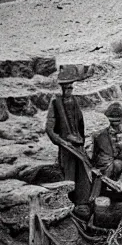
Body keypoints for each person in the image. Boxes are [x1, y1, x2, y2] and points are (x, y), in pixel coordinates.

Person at [45, 64, 92, 220]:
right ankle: (69, 205)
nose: (70, 90)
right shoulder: (55, 103)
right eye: (67, 88)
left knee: (84, 173)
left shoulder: (75, 101)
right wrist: (59, 140)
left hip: (77, 144)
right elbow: (49, 128)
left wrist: (81, 140)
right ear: (62, 88)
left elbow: (80, 123)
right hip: (66, 147)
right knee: (69, 174)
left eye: (71, 88)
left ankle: (83, 203)